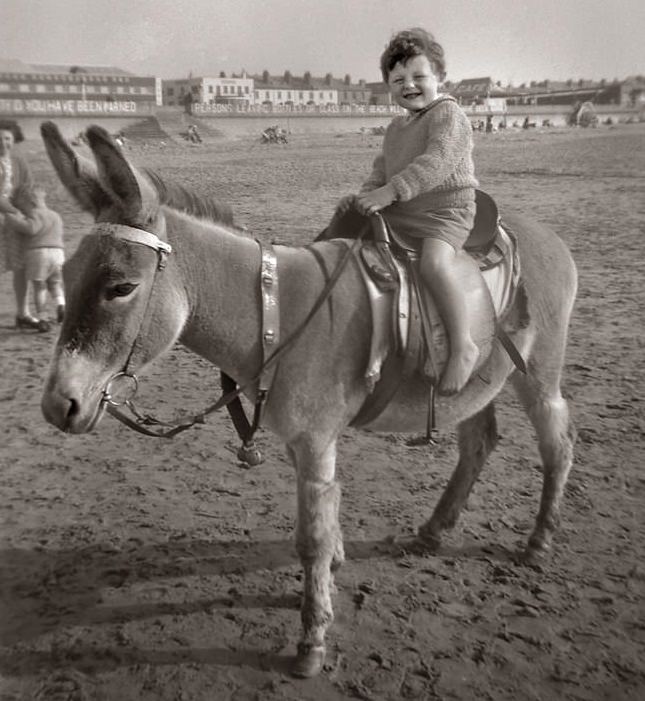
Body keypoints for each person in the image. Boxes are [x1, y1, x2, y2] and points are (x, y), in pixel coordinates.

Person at [332, 28, 479, 394]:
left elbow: (437, 161)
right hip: (403, 206)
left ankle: (463, 346)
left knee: (433, 264)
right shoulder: (397, 126)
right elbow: (381, 169)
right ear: (389, 86)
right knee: (354, 247)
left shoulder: (449, 115)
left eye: (419, 77)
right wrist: (365, 197)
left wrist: (390, 192)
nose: (409, 85)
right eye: (398, 80)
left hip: (445, 211)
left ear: (440, 78)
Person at [0, 119, 44, 331]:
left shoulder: (18, 162)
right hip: (7, 217)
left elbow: (27, 189)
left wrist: (31, 212)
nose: (3, 143)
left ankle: (22, 313)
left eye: (7, 138)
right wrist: (12, 210)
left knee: (22, 266)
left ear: (13, 139)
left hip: (13, 222)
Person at [6, 188, 65, 325]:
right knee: (55, 284)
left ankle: (43, 317)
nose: (21, 209)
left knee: (39, 287)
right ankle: (61, 304)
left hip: (39, 254)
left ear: (31, 202)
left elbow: (31, 228)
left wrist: (13, 220)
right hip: (58, 253)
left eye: (22, 205)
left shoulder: (35, 214)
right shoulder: (55, 215)